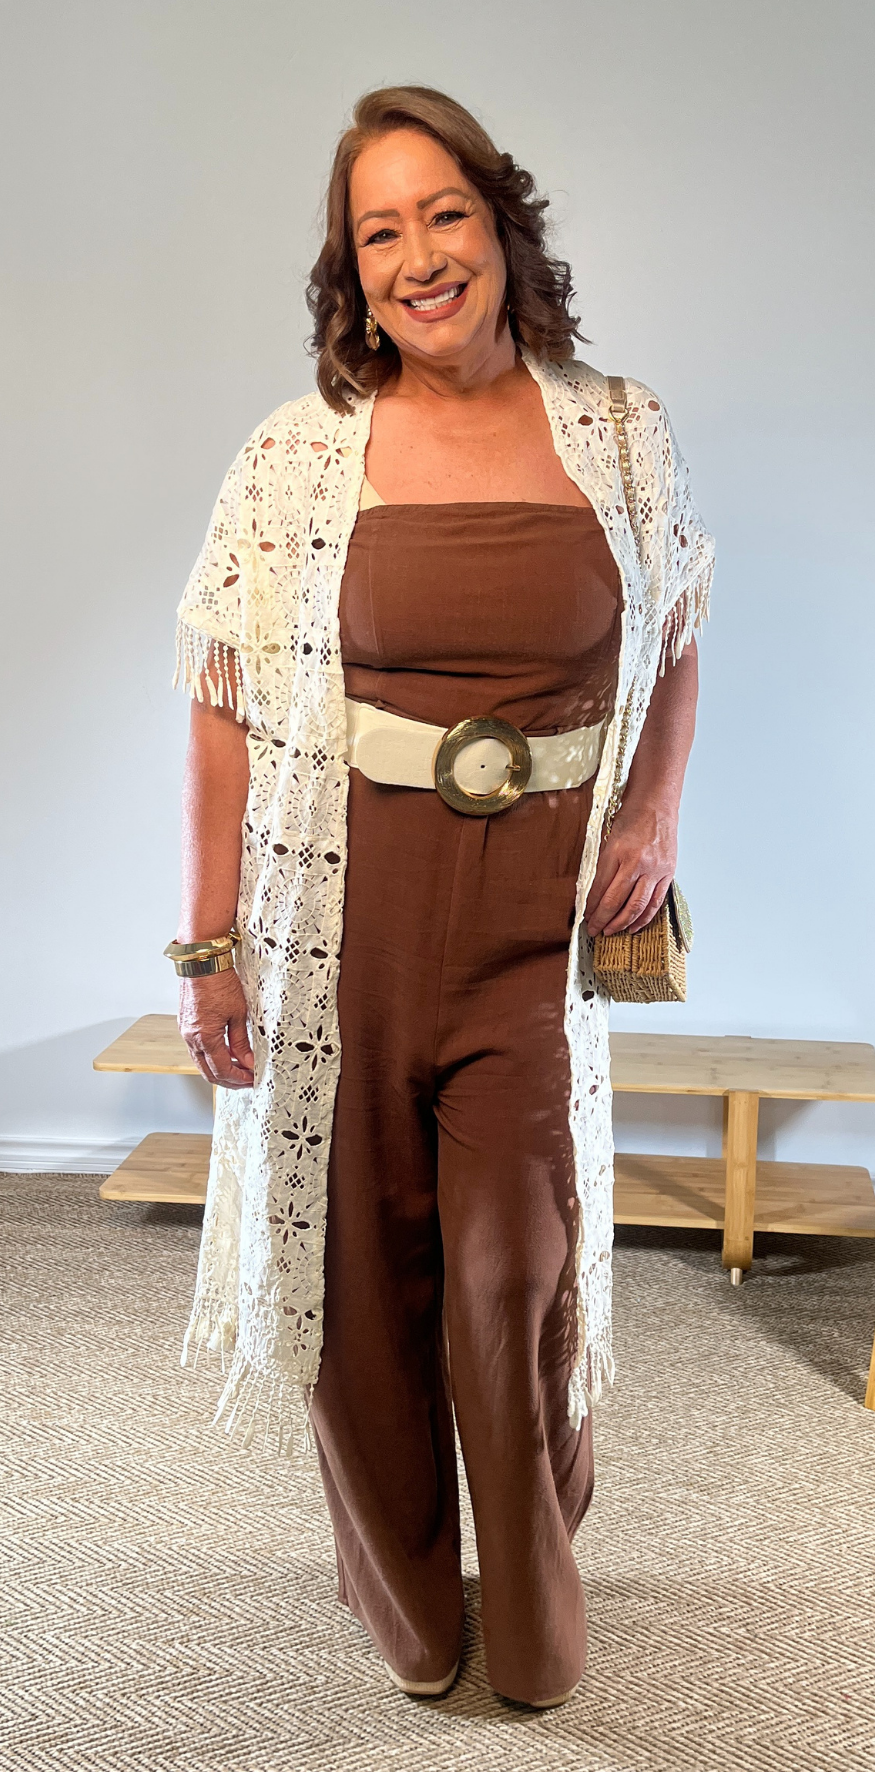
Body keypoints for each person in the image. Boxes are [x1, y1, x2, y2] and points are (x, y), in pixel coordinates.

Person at [168, 85, 714, 1708]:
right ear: (352, 271)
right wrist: (209, 949)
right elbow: (218, 702)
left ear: (502, 224)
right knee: (360, 1273)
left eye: (444, 214)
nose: (419, 256)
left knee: (507, 1275)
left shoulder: (620, 427)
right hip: (344, 921)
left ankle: (534, 1597)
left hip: (533, 932)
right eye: (379, 232)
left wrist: (657, 808)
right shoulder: (297, 455)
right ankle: (405, 1590)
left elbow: (678, 626)